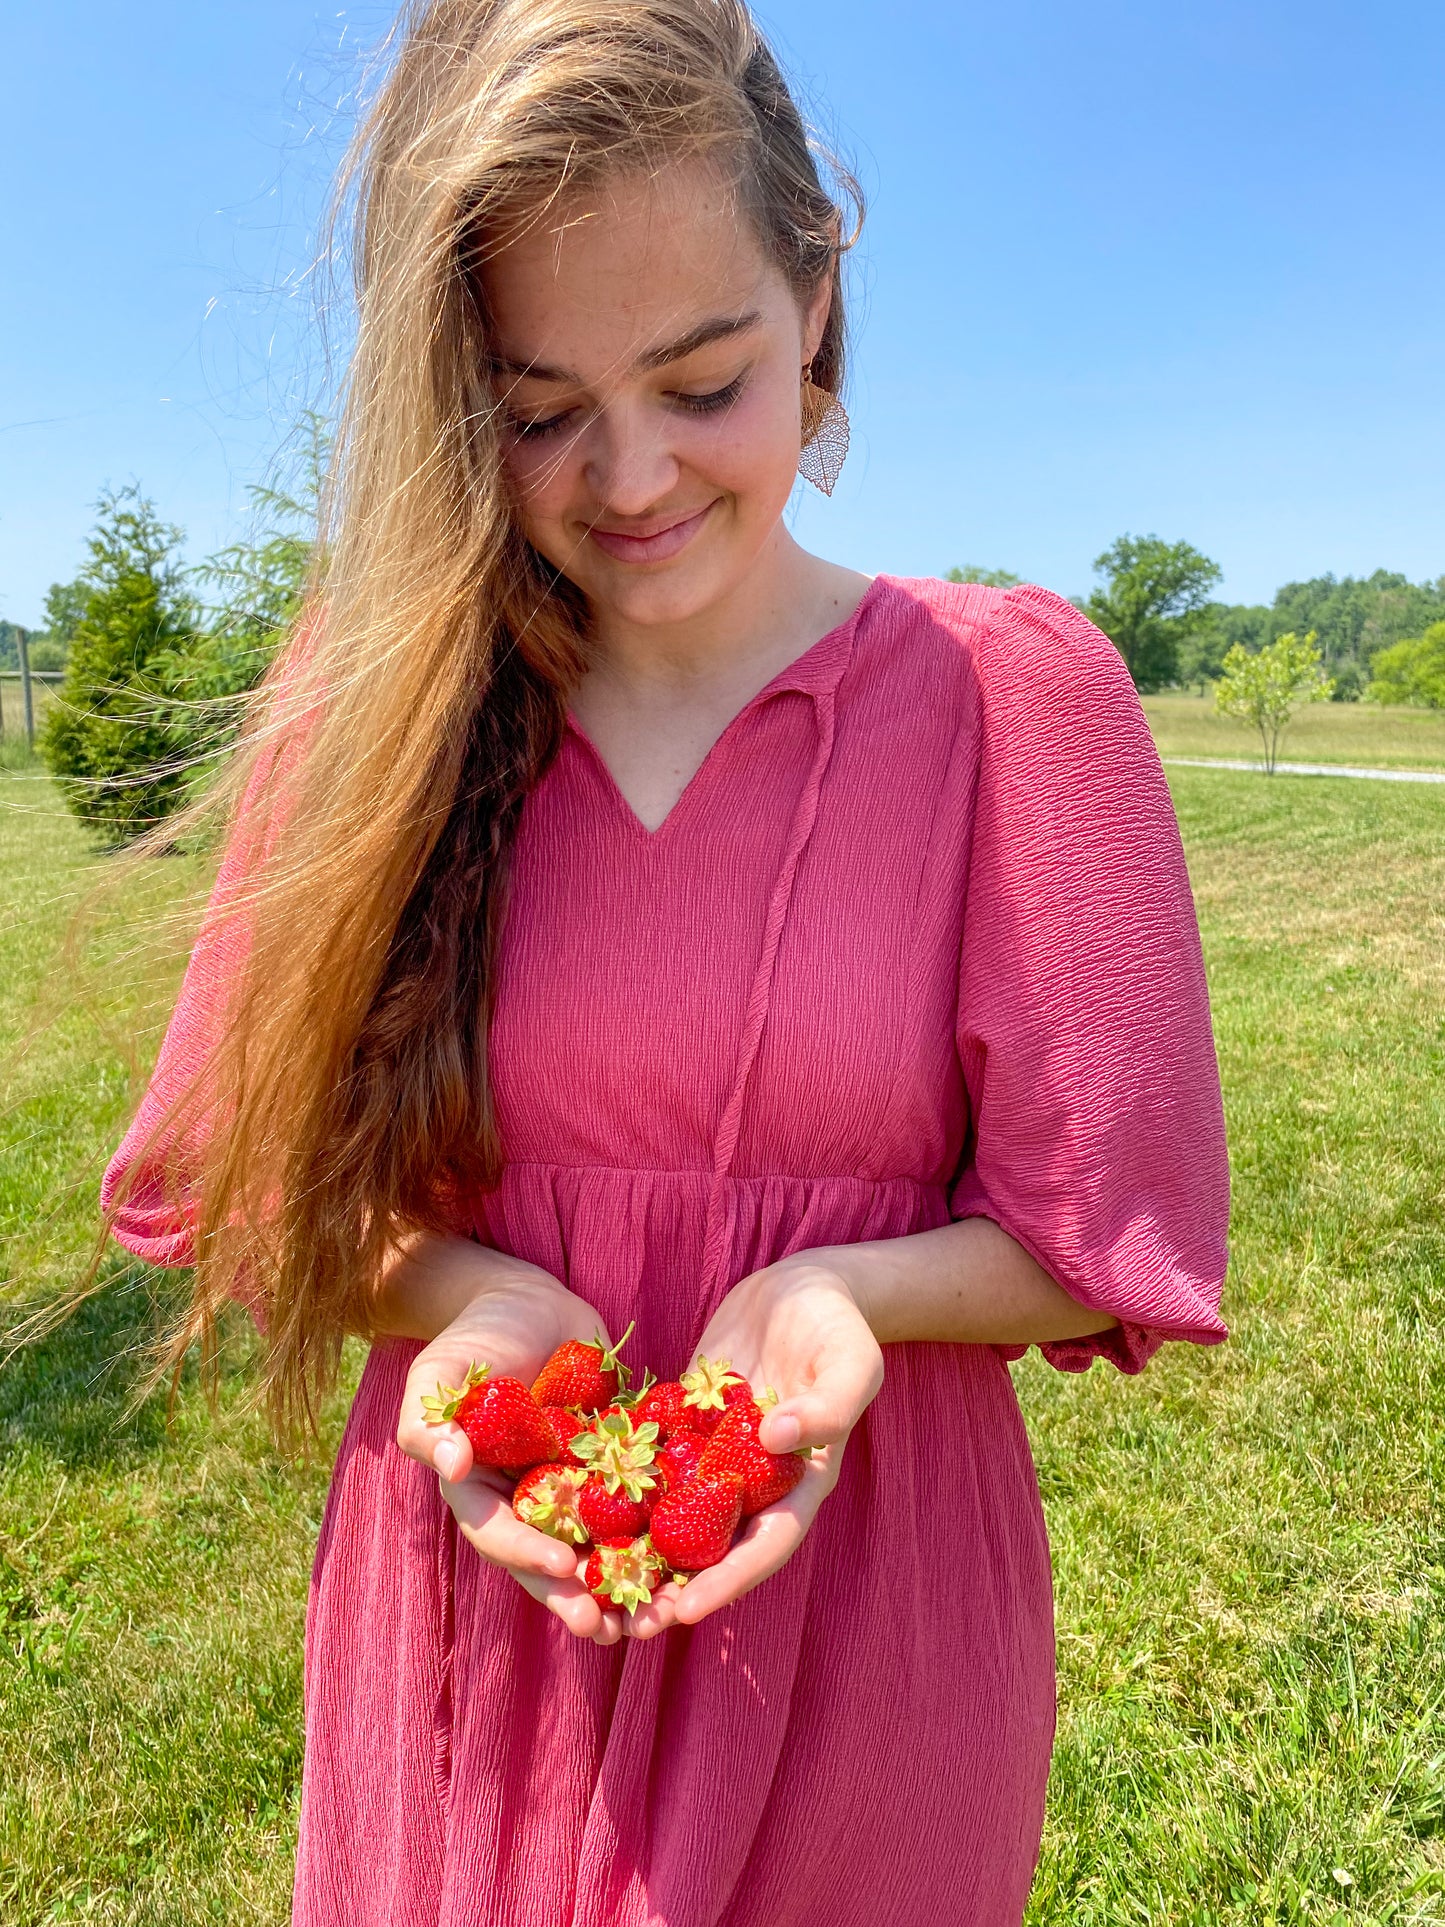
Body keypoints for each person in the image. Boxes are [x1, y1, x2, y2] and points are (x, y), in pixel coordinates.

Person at [100, 1, 1229, 1921]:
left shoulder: (1011, 697)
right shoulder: (370, 715)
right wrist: (464, 1298)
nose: (627, 479)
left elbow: (1093, 1224)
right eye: (539, 411)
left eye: (701, 381)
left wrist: (848, 1290)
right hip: (471, 1629)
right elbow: (246, 1189)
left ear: (816, 304)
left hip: (865, 1644)